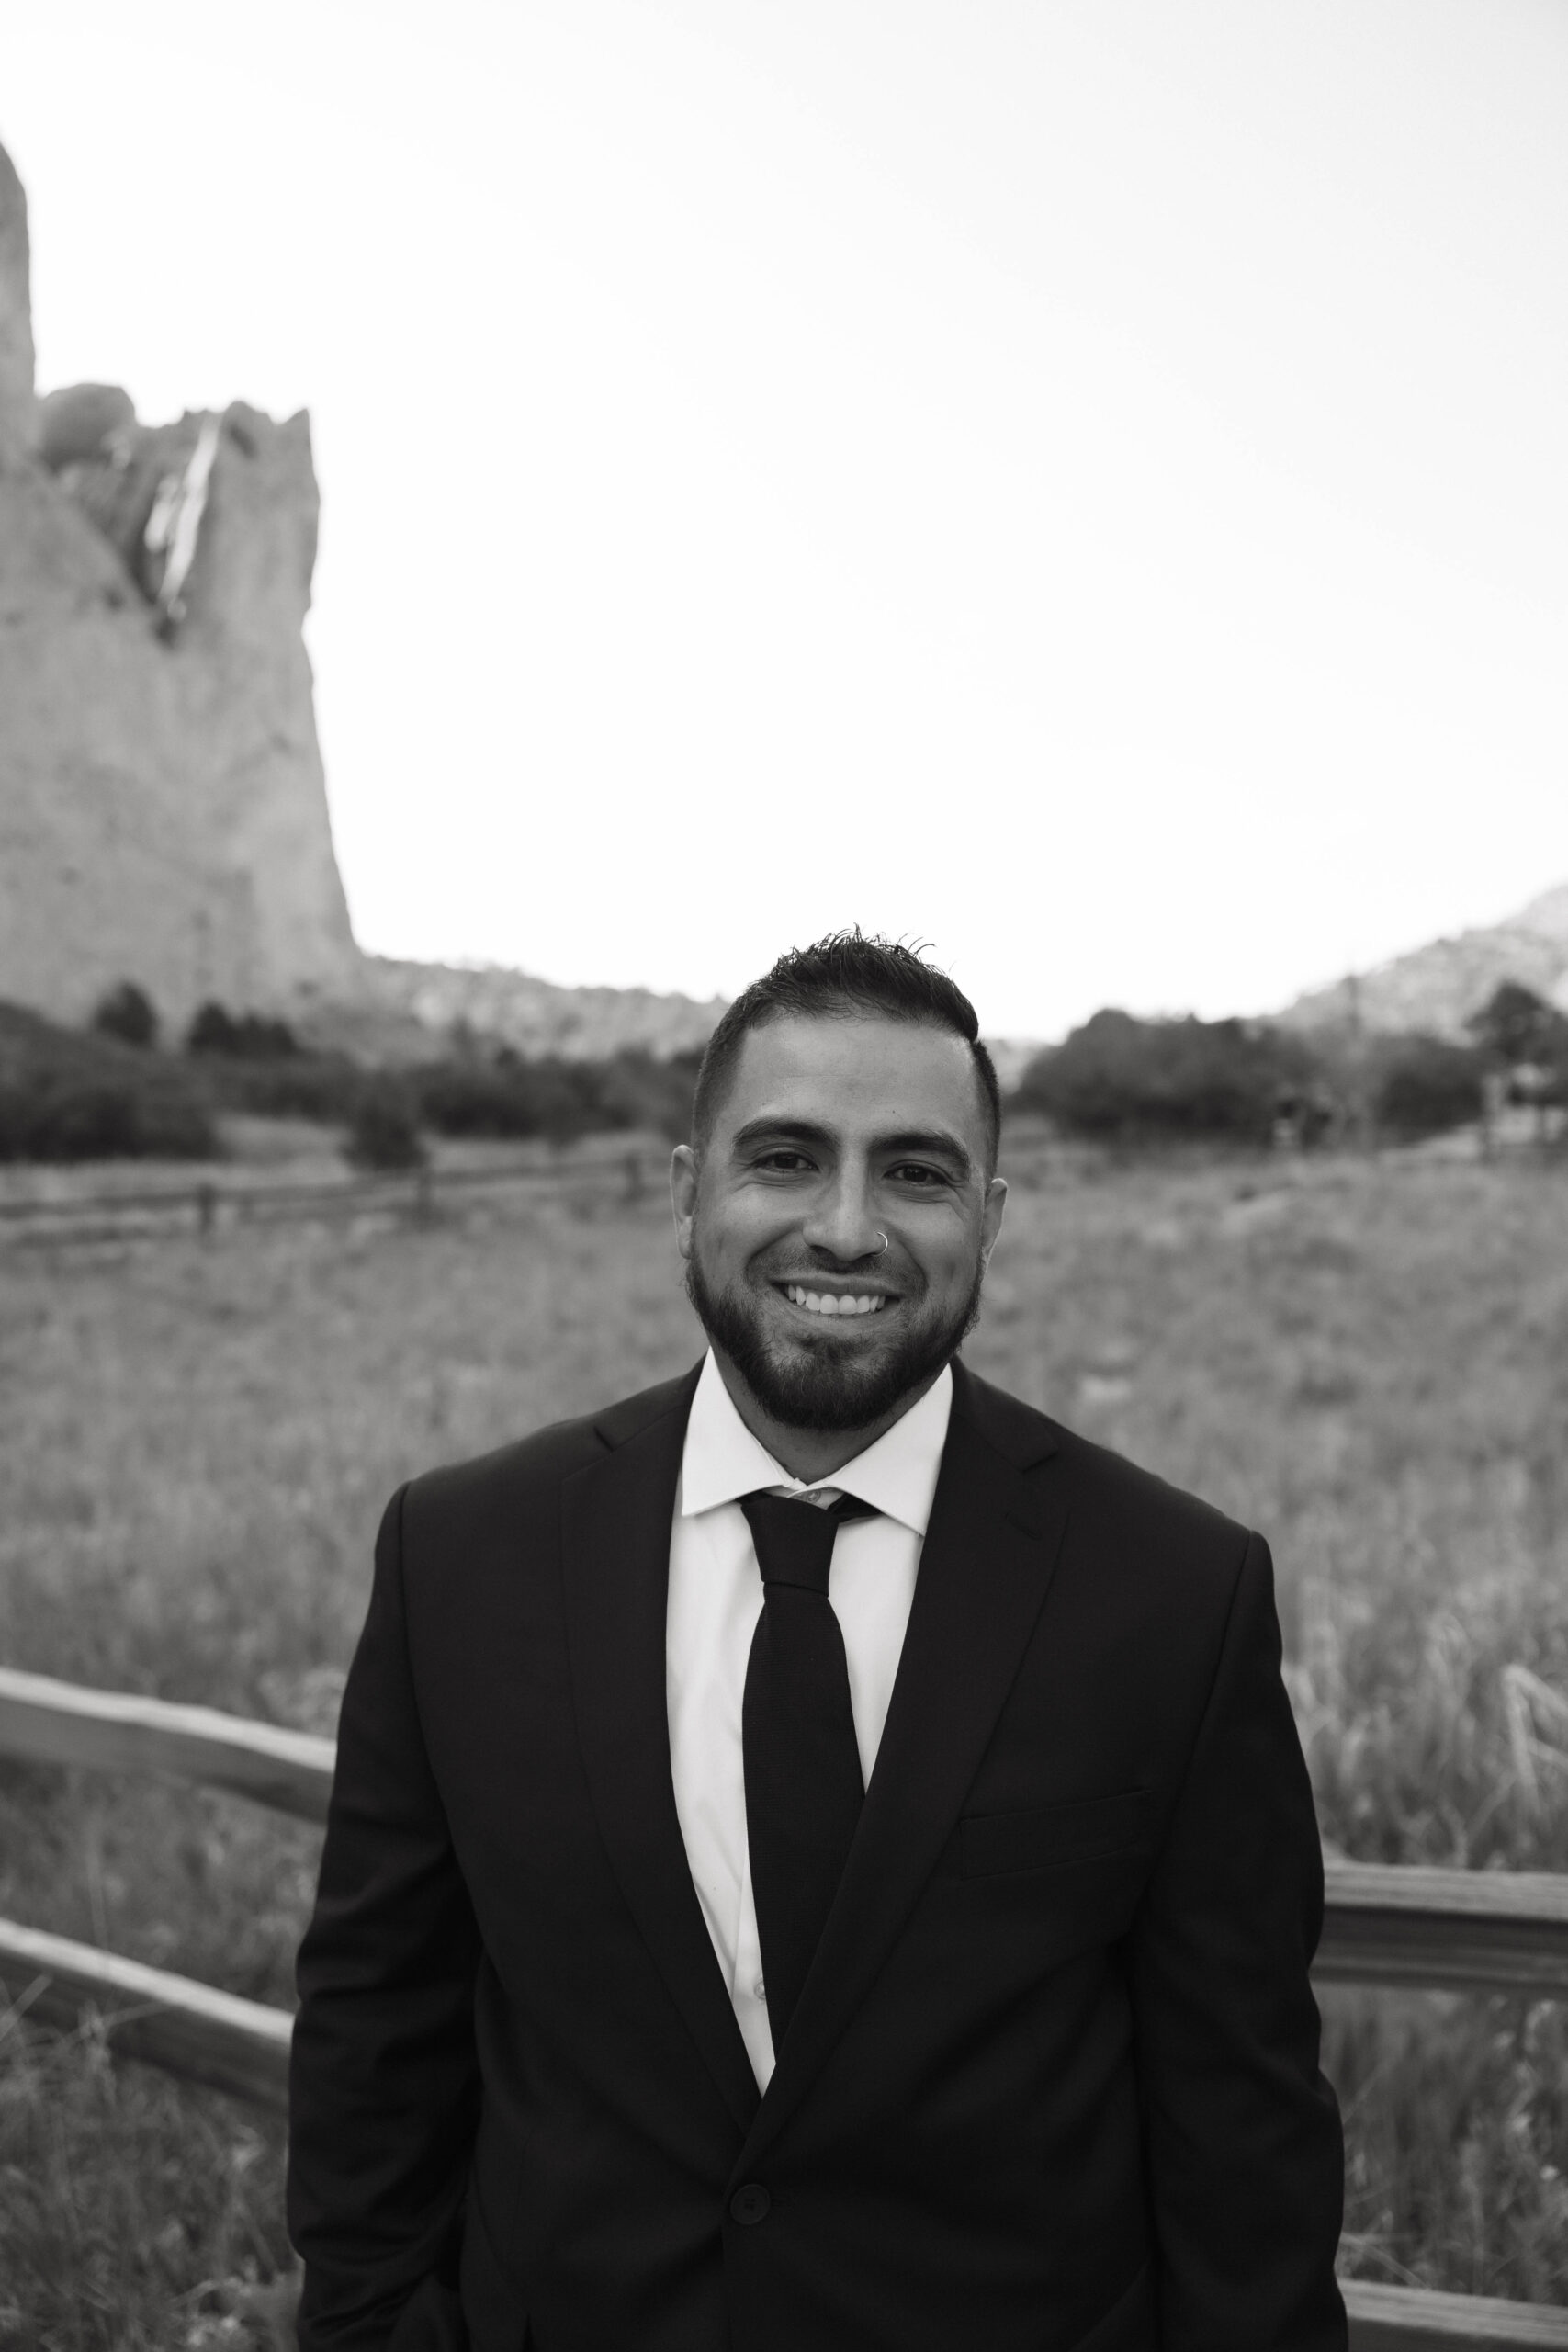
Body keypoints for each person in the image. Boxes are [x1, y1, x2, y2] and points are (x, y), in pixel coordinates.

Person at [288, 933, 1346, 2352]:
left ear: (991, 1216)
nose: (845, 1227)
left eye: (915, 1171)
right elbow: (378, 2028)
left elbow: (1244, 2130)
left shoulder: (1173, 1592)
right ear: (685, 1194)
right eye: (785, 1158)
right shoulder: (461, 1555)